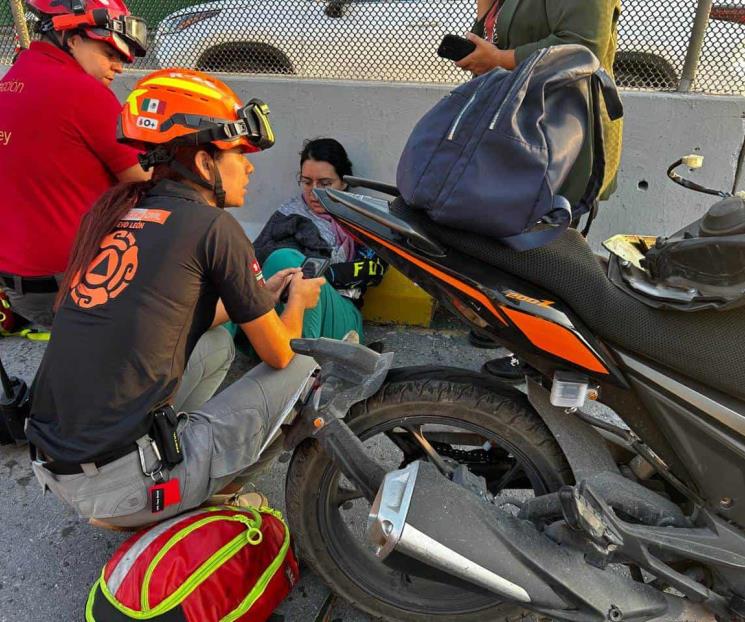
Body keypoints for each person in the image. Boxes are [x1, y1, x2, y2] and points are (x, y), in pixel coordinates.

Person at [27, 69, 325, 529]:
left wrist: (257, 297)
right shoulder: (213, 227)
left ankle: (154, 481)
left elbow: (163, 315)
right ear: (205, 164)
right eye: (238, 154)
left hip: (55, 465)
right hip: (123, 484)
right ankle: (184, 502)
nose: (248, 166)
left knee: (218, 344)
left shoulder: (120, 211)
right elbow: (281, 353)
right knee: (306, 371)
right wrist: (298, 301)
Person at [455, 0, 624, 381]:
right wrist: (485, 16)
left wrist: (501, 59)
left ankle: (553, 357)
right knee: (522, 240)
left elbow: (584, 47)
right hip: (526, 128)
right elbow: (497, 44)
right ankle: (527, 342)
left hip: (565, 133)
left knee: (546, 248)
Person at [0, 0, 150, 329]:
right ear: (72, 38)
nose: (120, 67)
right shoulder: (84, 93)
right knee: (211, 339)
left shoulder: (9, 82)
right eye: (110, 54)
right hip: (77, 286)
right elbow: (148, 180)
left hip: (17, 289)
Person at [253, 138, 385, 342]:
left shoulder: (362, 219)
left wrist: (323, 274)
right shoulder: (288, 214)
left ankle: (297, 357)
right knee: (279, 260)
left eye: (325, 183)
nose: (314, 192)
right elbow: (259, 260)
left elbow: (375, 270)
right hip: (283, 311)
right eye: (307, 182)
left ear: (344, 182)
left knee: (304, 274)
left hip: (339, 316)